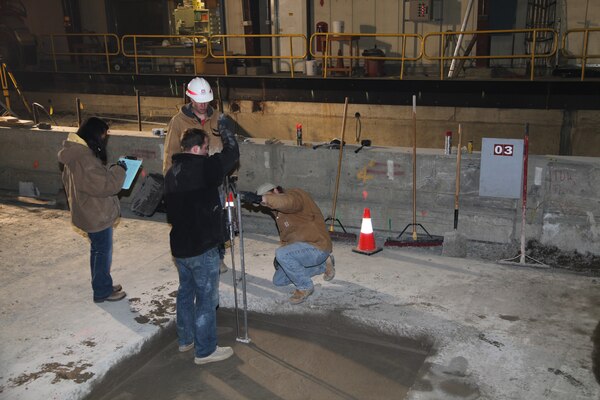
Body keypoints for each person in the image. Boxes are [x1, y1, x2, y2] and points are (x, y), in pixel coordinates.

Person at [163, 115, 239, 365]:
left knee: (186, 293)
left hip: (181, 247)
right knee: (206, 298)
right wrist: (227, 133)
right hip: (202, 246)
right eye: (206, 148)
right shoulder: (203, 167)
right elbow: (231, 155)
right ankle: (206, 350)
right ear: (196, 149)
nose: (208, 152)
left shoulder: (171, 172)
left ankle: (186, 340)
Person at [163, 76, 229, 273]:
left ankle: (218, 257)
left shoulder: (219, 118)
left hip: (215, 179)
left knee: (218, 219)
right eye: (199, 101)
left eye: (207, 101)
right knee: (197, 220)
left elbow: (228, 148)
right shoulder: (177, 122)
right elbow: (170, 152)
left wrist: (232, 176)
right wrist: (170, 182)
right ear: (190, 99)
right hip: (190, 183)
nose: (203, 105)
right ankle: (199, 254)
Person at [57, 117, 127, 303]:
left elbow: (91, 182)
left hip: (87, 211)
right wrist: (119, 170)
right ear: (95, 135)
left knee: (98, 251)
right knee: (102, 252)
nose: (105, 139)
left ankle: (102, 283)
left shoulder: (75, 153)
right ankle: (102, 291)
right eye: (104, 135)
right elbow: (106, 186)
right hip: (95, 215)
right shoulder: (84, 159)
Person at [240, 183, 335, 304]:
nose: (267, 204)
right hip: (304, 251)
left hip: (317, 246)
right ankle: (323, 265)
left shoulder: (295, 196)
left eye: (267, 199)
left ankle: (305, 286)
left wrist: (263, 198)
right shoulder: (279, 214)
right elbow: (288, 239)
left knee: (282, 254)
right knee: (279, 280)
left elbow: (287, 202)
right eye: (264, 203)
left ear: (275, 191)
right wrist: (283, 258)